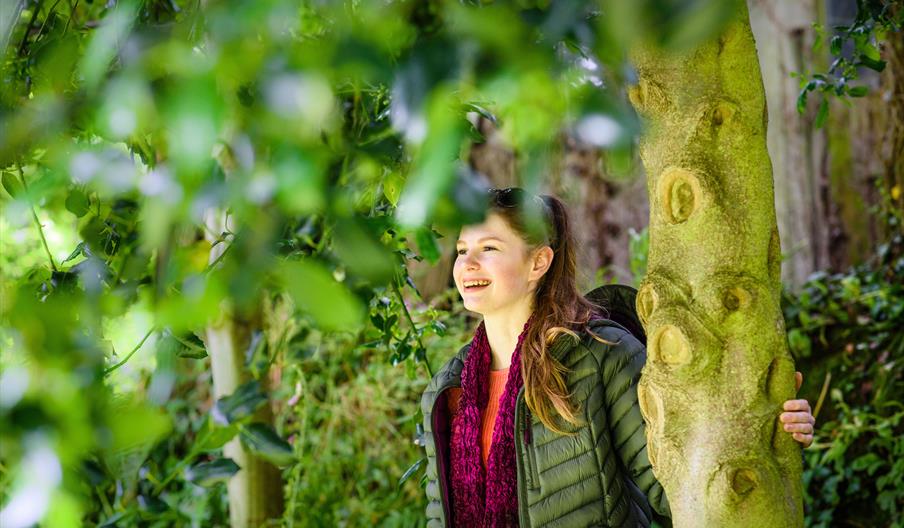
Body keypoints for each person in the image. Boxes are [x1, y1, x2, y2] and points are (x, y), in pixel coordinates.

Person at [419, 187, 816, 527]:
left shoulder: (600, 357)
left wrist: (765, 430)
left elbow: (679, 485)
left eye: (489, 248)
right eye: (462, 250)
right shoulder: (448, 388)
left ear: (538, 262)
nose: (467, 264)